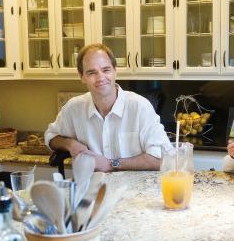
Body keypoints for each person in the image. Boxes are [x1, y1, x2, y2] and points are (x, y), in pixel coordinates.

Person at [45, 43, 171, 172]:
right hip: (91, 184)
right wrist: (70, 144)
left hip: (134, 185)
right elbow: (51, 136)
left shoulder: (140, 107)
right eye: (91, 72)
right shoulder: (74, 108)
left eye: (106, 70)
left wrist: (111, 164)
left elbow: (163, 159)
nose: (100, 78)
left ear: (115, 71)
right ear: (82, 77)